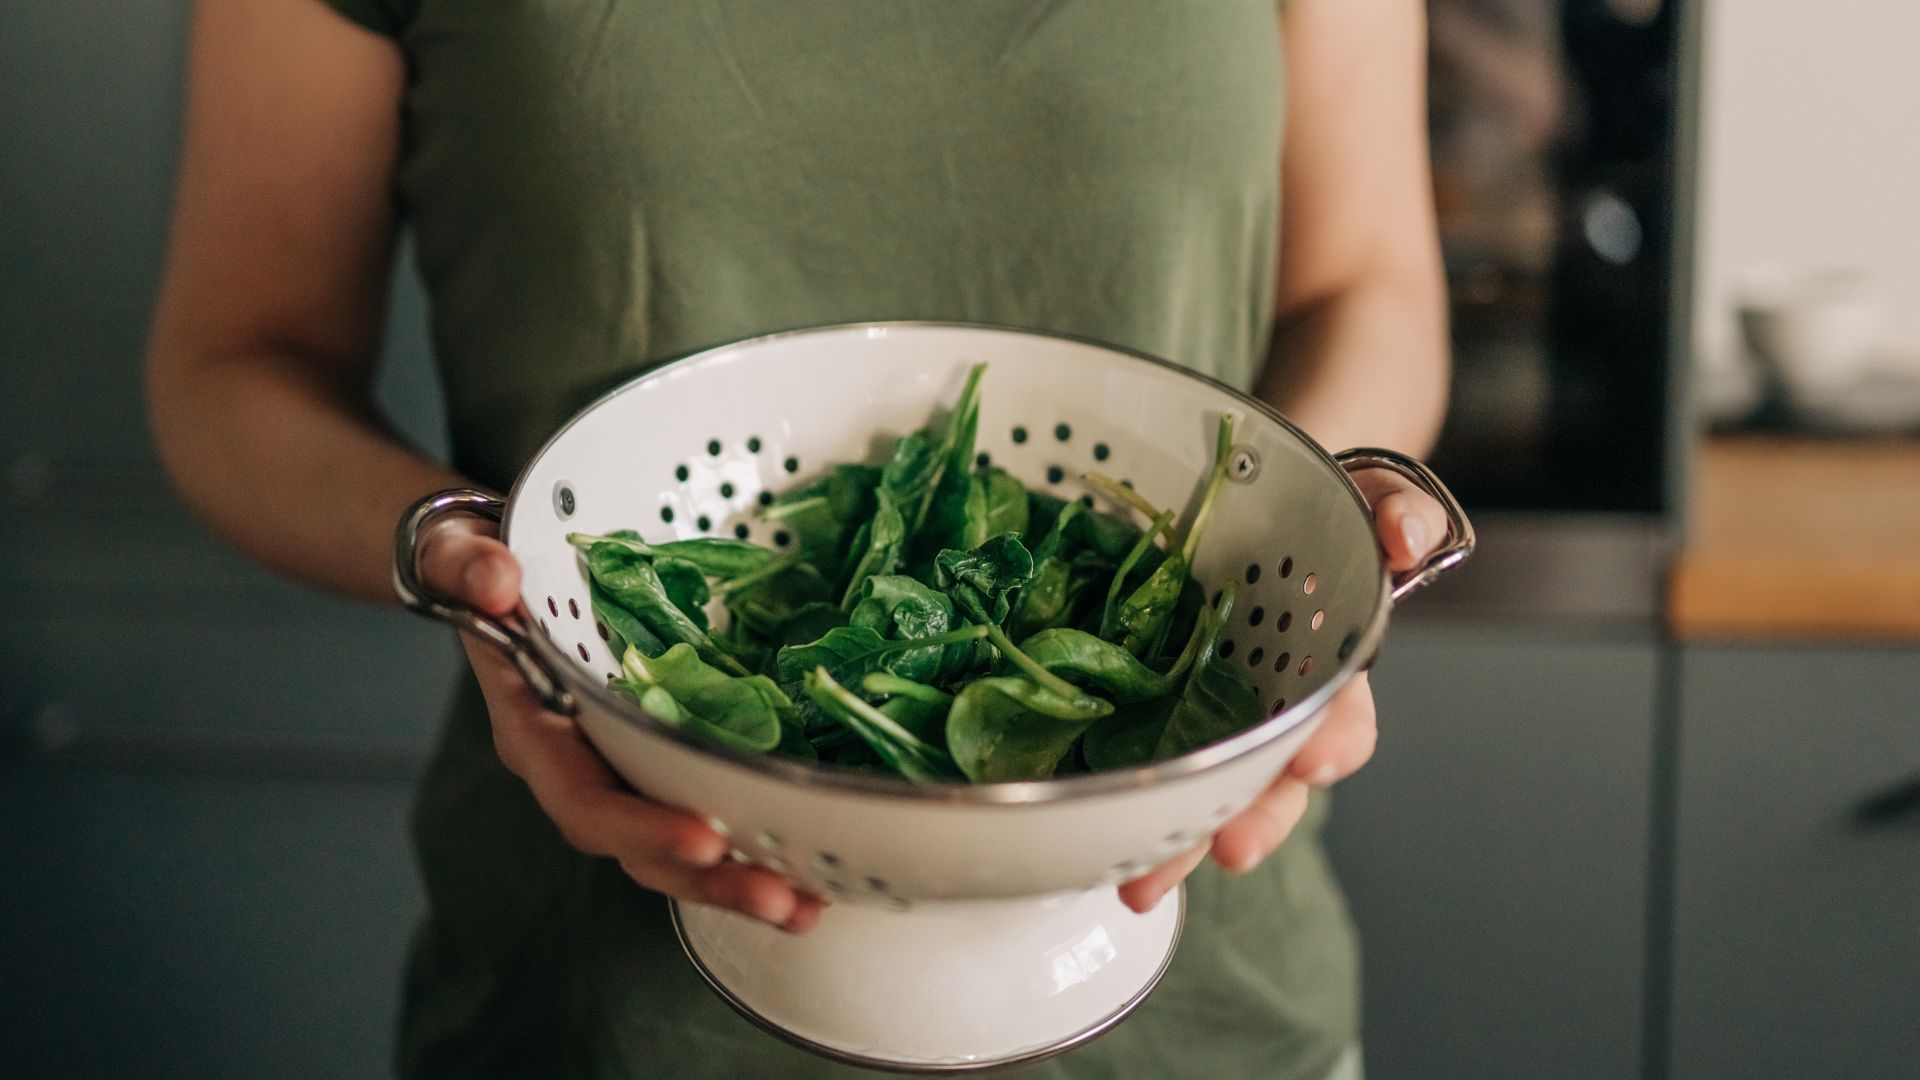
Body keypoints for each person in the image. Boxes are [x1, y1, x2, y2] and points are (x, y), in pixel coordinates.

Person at [146, 2, 1450, 1078]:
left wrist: (1301, 536)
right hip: (593, 1010)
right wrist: (468, 561)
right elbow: (239, 364)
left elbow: (1367, 281)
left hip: (1202, 1001)